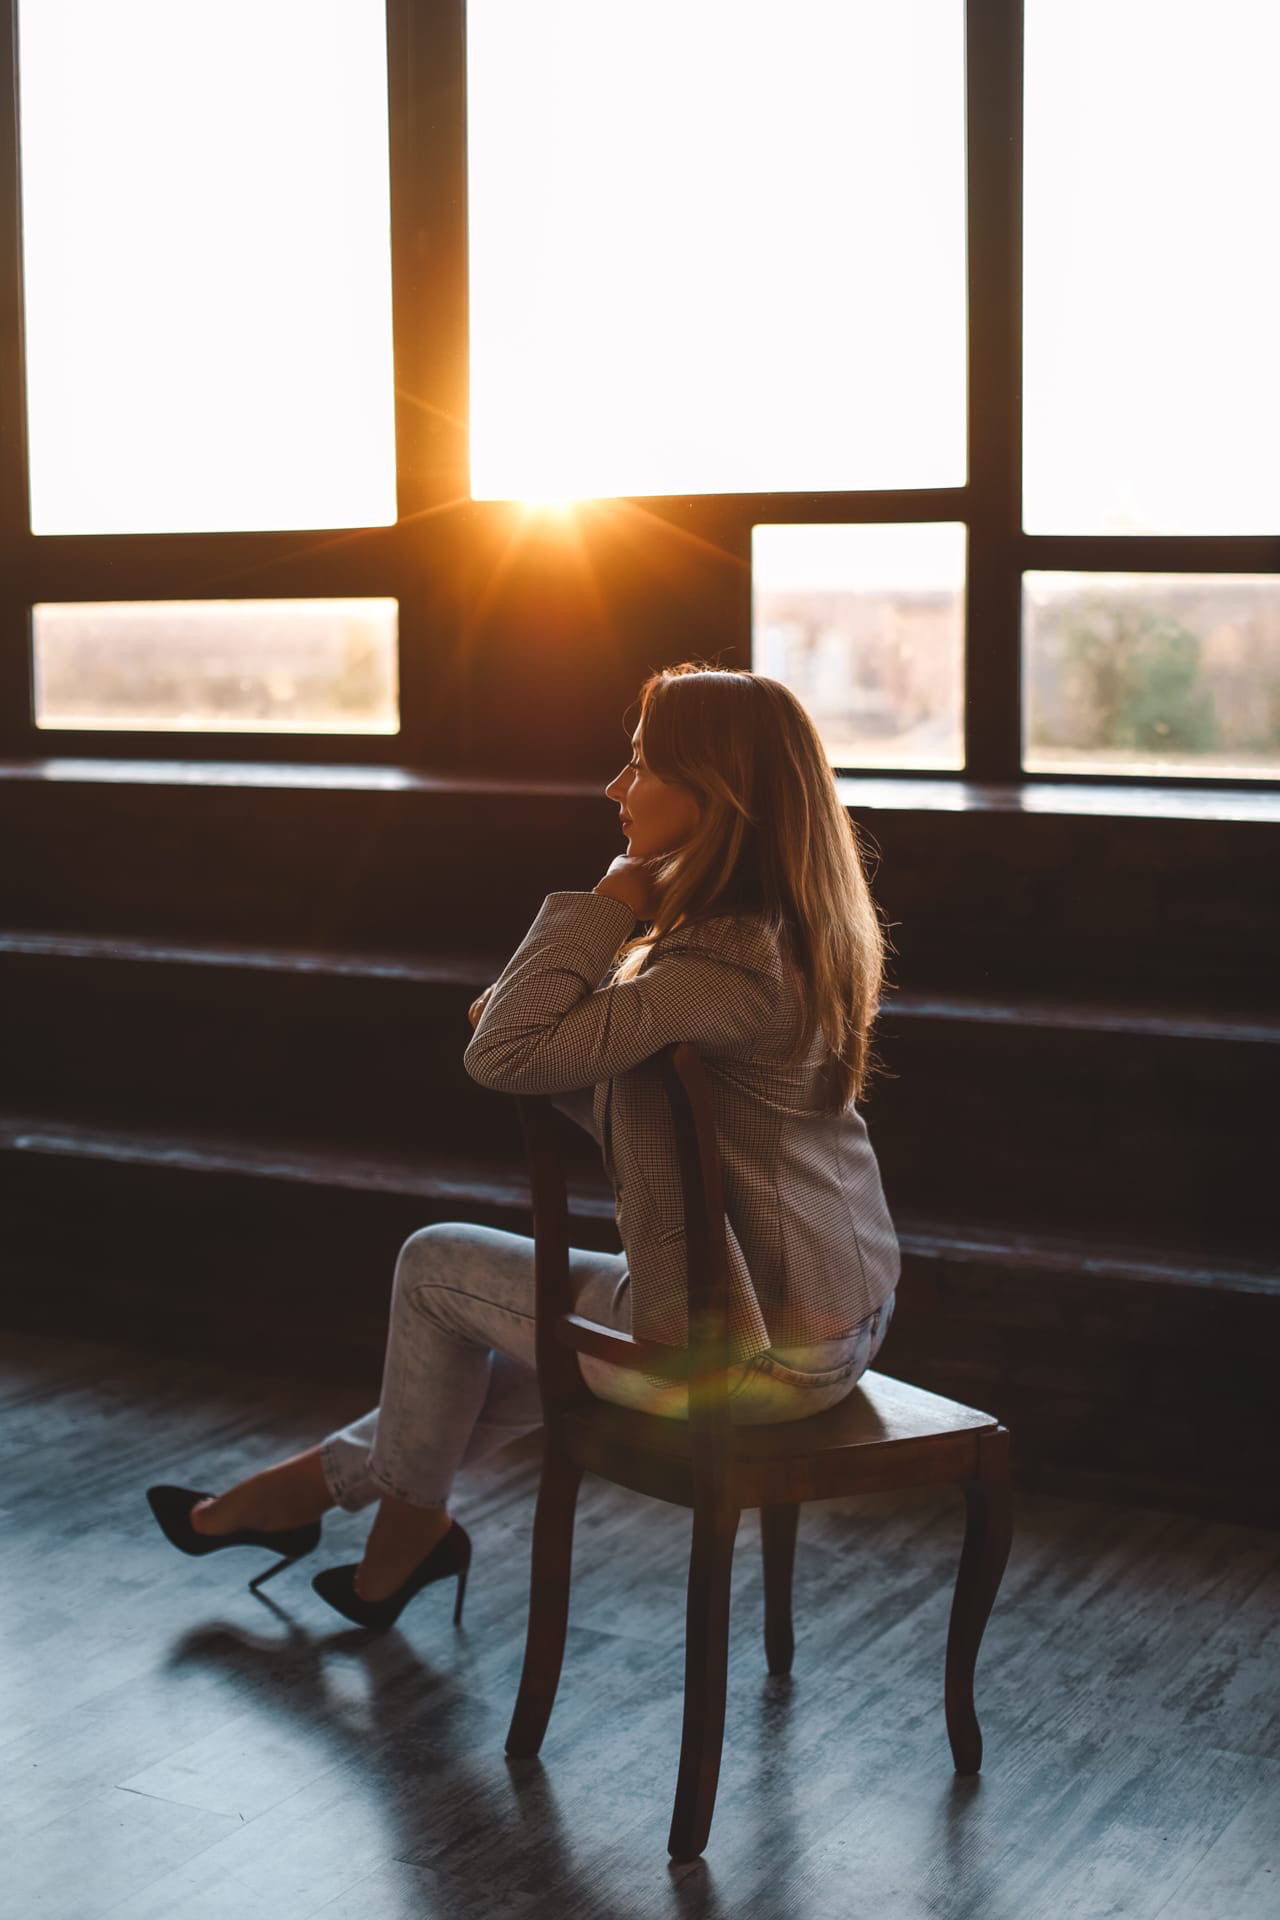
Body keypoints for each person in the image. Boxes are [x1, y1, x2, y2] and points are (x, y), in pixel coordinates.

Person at [146, 664, 899, 1632]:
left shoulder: (719, 957)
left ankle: (385, 1524)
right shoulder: (791, 932)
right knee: (492, 1375)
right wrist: (550, 1021)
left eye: (638, 767)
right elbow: (654, 1103)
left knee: (432, 1269)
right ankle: (300, 1505)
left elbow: (501, 1052)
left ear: (719, 795)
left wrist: (612, 897)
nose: (614, 791)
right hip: (847, 1322)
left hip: (756, 1355)